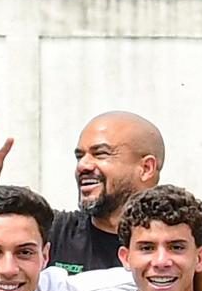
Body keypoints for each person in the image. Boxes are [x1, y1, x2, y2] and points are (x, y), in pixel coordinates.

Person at [53, 112, 163, 270]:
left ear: (146, 168)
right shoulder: (54, 234)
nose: (83, 165)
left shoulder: (191, 240)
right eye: (80, 156)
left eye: (100, 154)